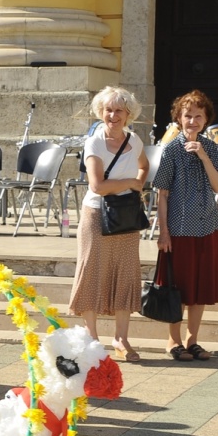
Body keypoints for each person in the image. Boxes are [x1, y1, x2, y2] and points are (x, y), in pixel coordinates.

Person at [69, 85, 149, 362]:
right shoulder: (94, 142)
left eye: (118, 110)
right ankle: (92, 339)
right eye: (108, 110)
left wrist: (139, 181)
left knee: (126, 274)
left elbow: (144, 165)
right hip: (96, 215)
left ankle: (121, 339)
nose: (112, 115)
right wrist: (131, 183)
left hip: (126, 215)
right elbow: (98, 185)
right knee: (91, 272)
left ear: (128, 114)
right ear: (100, 112)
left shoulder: (134, 140)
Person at [153, 89, 218, 363]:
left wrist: (204, 157)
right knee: (178, 289)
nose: (193, 121)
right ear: (178, 118)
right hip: (179, 229)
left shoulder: (210, 148)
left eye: (198, 116)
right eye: (187, 116)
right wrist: (164, 232)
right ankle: (173, 341)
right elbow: (162, 193)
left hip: (207, 226)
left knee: (200, 290)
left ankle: (192, 340)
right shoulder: (171, 150)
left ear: (206, 119)